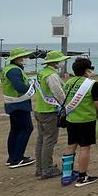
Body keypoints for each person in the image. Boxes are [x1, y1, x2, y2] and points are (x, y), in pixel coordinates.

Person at [61, 57, 98, 187]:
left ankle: (66, 176)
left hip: (71, 119)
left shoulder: (68, 82)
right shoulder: (91, 83)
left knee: (71, 145)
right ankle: (82, 177)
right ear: (87, 70)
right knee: (84, 147)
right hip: (86, 119)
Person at [33, 50, 70, 179]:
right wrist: (66, 105)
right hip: (49, 111)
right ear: (55, 62)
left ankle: (40, 167)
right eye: (60, 60)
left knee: (41, 140)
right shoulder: (51, 75)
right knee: (49, 140)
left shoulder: (42, 72)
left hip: (39, 109)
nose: (62, 62)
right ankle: (47, 169)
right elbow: (58, 93)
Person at [1, 47, 36, 169]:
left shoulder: (10, 69)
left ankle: (12, 157)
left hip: (13, 103)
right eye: (24, 57)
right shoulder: (14, 71)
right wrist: (32, 87)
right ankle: (17, 158)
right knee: (26, 128)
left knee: (15, 130)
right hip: (19, 104)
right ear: (17, 59)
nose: (26, 59)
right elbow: (19, 87)